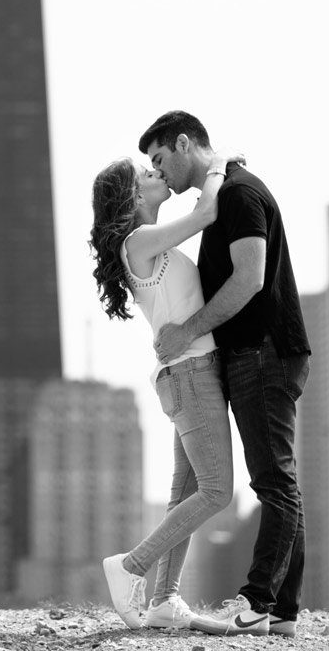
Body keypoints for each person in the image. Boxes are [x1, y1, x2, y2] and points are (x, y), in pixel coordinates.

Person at [140, 111, 310, 639]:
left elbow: (250, 278)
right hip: (253, 355)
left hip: (263, 353)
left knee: (271, 482)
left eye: (161, 158)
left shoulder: (237, 194)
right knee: (277, 481)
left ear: (185, 144)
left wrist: (187, 327)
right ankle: (281, 610)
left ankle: (259, 601)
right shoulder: (222, 194)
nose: (159, 171)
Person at [89, 146, 242, 631]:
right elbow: (207, 211)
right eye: (145, 172)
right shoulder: (138, 241)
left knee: (188, 492)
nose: (156, 172)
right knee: (218, 491)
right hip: (191, 375)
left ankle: (164, 602)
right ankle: (131, 564)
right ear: (132, 195)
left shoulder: (152, 243)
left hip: (190, 374)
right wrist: (217, 165)